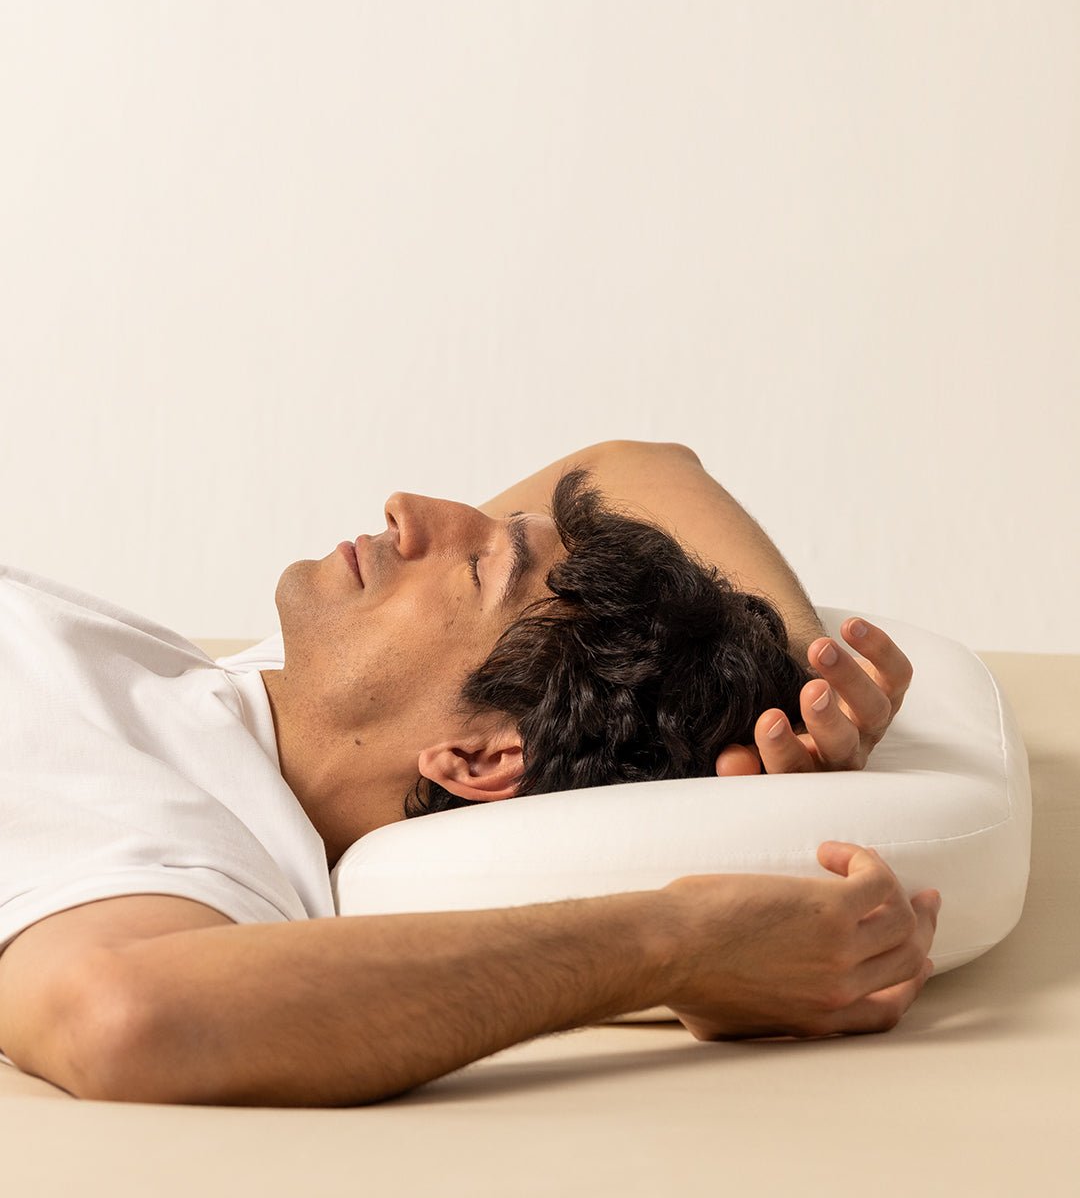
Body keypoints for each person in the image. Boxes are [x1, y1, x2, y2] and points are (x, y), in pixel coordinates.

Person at [0, 440, 939, 1106]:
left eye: (482, 566)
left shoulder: (185, 826)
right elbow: (634, 464)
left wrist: (682, 943)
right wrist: (813, 678)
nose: (407, 509)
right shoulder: (242, 699)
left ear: (482, 757)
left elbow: (126, 1016)